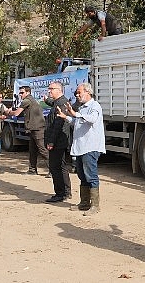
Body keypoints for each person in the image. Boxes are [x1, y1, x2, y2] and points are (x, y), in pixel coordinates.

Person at [56, 82, 105, 215]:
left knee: (91, 175)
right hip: (80, 147)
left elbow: (92, 119)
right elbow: (77, 123)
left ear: (88, 92)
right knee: (82, 175)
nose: (77, 95)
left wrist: (75, 114)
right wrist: (66, 117)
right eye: (76, 93)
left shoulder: (95, 106)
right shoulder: (82, 107)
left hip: (91, 147)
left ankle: (95, 205)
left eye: (79, 92)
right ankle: (84, 203)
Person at [9, 86, 49, 175]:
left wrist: (7, 112)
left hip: (37, 128)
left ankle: (53, 170)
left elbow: (16, 113)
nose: (20, 94)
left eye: (22, 93)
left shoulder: (26, 101)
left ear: (28, 92)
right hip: (33, 128)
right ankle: (32, 169)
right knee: (32, 150)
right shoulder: (31, 100)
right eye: (19, 93)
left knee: (43, 150)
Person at [44, 82, 72, 202]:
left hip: (58, 141)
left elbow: (58, 124)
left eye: (51, 89)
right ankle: (65, 192)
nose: (49, 91)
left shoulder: (61, 103)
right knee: (62, 166)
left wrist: (51, 141)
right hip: (60, 140)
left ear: (59, 90)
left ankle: (60, 193)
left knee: (55, 167)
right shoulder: (59, 102)